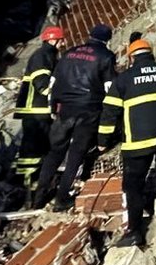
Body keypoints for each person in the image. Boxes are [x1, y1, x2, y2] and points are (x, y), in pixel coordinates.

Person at [99, 39, 156, 247]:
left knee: (133, 186)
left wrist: (103, 141)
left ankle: (135, 231)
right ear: (152, 53)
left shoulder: (123, 80)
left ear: (131, 57)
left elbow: (109, 113)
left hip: (137, 144)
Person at [34, 24, 116, 211]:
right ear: (107, 39)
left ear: (90, 35)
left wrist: (52, 108)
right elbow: (110, 88)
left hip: (64, 109)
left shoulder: (70, 53)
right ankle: (61, 199)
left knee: (54, 153)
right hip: (89, 110)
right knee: (76, 155)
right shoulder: (106, 57)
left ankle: (38, 197)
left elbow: (54, 82)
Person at [12, 26, 65, 191]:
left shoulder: (47, 55)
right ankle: (27, 182)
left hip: (38, 110)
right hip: (35, 110)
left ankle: (32, 179)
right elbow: (42, 83)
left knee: (37, 146)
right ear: (53, 40)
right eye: (61, 40)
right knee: (32, 148)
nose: (63, 43)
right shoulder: (42, 56)